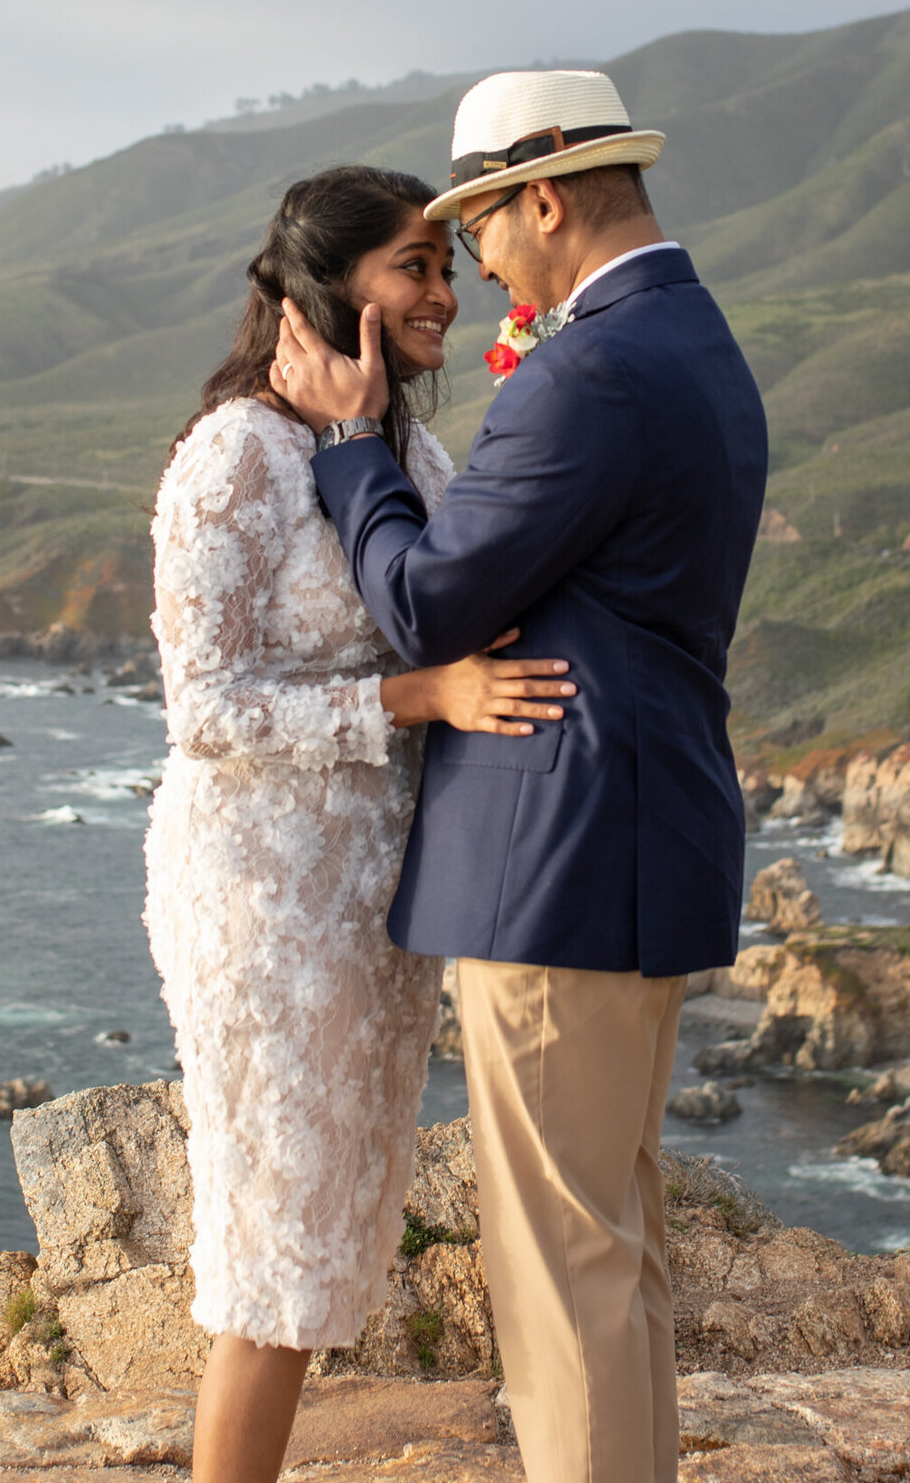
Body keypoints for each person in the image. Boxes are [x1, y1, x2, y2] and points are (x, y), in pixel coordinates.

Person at [272, 73, 770, 1483]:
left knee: (561, 1272)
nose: (477, 265)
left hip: (560, 862)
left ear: (544, 200)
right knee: (614, 1247)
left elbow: (428, 603)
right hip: (640, 838)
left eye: (480, 225)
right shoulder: (696, 338)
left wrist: (358, 452)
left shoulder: (591, 370)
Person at [143, 164, 576, 1483]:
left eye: (450, 267)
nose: (445, 292)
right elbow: (205, 712)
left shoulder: (406, 452)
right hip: (266, 910)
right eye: (415, 267)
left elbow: (444, 597)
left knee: (323, 1265)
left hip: (378, 907)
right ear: (331, 288)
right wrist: (419, 696)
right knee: (271, 1276)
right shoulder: (231, 460)